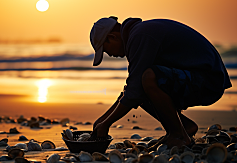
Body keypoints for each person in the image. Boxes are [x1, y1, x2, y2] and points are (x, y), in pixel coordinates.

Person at [89, 16, 232, 150]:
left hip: (208, 81)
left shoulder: (139, 36)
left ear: (112, 37)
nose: (111, 55)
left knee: (148, 78)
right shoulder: (137, 34)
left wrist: (106, 124)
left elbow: (134, 91)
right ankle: (184, 127)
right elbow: (131, 89)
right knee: (141, 85)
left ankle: (179, 134)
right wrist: (102, 120)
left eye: (106, 50)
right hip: (197, 78)